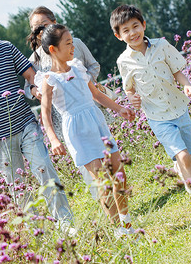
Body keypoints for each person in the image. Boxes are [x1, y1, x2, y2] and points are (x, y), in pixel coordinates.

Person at [0, 7, 75, 234]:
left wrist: (37, 87)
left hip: (25, 123)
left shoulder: (6, 48)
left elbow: (30, 73)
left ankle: (66, 224)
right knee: (18, 187)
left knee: (45, 169)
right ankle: (40, 232)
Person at [110, 4, 191, 221]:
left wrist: (186, 85)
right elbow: (129, 88)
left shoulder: (161, 45)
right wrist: (132, 99)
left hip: (179, 107)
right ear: (118, 36)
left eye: (135, 26)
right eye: (126, 30)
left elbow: (177, 70)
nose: (133, 33)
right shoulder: (123, 61)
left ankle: (182, 170)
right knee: (184, 156)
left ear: (144, 25)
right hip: (157, 117)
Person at [35, 24, 136, 237]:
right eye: (68, 43)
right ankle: (117, 227)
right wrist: (53, 139)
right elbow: (45, 113)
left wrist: (120, 109)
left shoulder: (78, 67)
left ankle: (127, 223)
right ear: (53, 49)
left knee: (118, 171)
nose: (73, 47)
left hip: (95, 121)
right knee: (102, 180)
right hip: (76, 130)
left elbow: (96, 95)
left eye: (72, 42)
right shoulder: (49, 80)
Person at [25, 6, 105, 199]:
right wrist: (39, 92)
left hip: (89, 105)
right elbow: (28, 87)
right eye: (36, 27)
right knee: (86, 159)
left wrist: (86, 84)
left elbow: (93, 65)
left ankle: (116, 196)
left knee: (104, 151)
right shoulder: (34, 58)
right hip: (64, 115)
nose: (41, 30)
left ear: (54, 22)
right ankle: (102, 198)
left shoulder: (74, 43)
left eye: (44, 24)